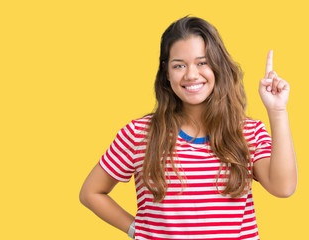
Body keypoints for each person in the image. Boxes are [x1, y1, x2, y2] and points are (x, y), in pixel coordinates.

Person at [79, 16, 297, 240]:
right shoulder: (139, 133)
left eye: (202, 62)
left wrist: (277, 111)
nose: (191, 74)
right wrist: (138, 230)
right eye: (179, 65)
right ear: (166, 72)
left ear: (218, 65)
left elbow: (284, 188)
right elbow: (90, 193)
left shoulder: (248, 132)